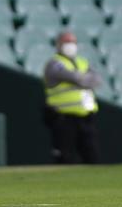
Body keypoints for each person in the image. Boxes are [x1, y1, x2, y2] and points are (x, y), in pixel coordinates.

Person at [43, 31, 103, 164]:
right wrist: (84, 79)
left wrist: (82, 79)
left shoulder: (82, 61)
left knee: (92, 156)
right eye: (67, 42)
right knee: (66, 157)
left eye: (73, 42)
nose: (70, 45)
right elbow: (74, 77)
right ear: (58, 44)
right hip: (64, 117)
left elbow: (97, 80)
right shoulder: (54, 63)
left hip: (86, 116)